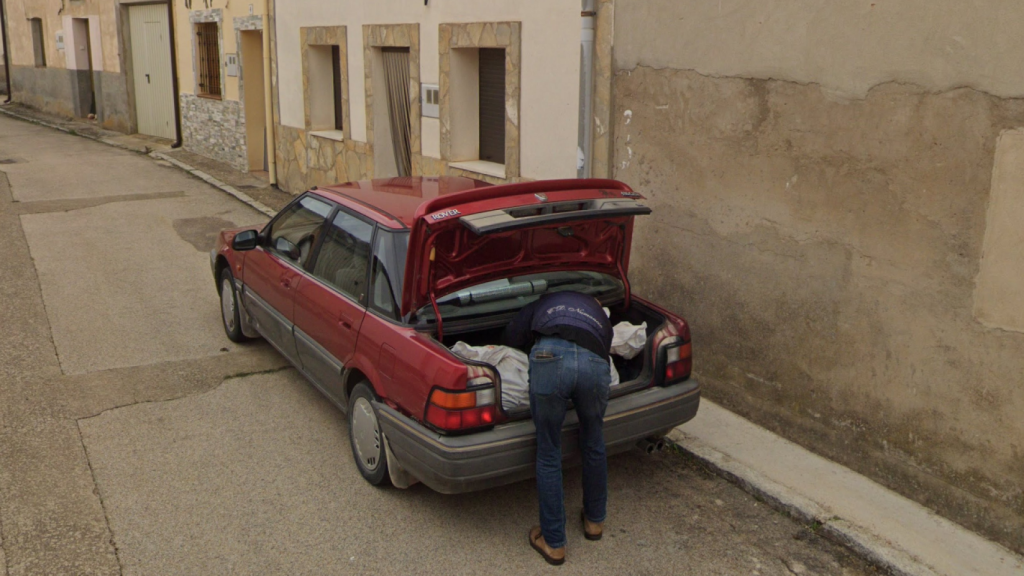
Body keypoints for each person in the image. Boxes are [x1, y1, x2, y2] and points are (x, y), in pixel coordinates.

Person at [504, 290, 613, 566]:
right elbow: (607, 344)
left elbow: (513, 337)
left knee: (549, 451)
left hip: (549, 357)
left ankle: (553, 542)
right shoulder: (598, 312)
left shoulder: (542, 303)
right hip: (595, 363)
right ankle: (594, 522)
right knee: (594, 440)